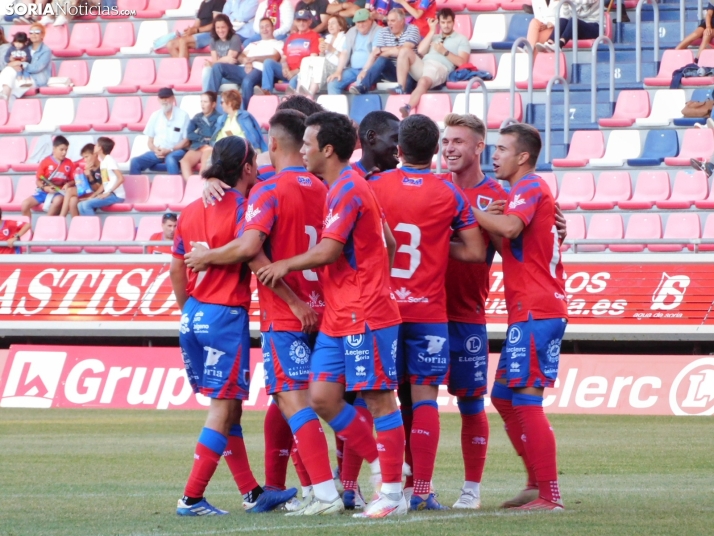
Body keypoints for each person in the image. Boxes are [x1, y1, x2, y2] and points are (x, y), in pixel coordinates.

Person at [185, 109, 348, 515]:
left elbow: (249, 251)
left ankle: (315, 490)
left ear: (273, 144)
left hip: (256, 313)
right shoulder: (333, 185)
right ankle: (343, 485)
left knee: (279, 401)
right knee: (332, 400)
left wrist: (195, 283)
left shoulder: (256, 194)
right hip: (325, 307)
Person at [256, 111, 409, 519]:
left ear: (327, 149)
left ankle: (391, 493)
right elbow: (389, 241)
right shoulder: (340, 186)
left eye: (307, 144)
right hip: (339, 316)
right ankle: (386, 468)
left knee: (379, 400)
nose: (301, 150)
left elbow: (328, 251)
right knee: (323, 398)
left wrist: (284, 265)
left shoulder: (347, 188)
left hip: (365, 314)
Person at [170, 136, 297, 516]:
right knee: (222, 410)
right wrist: (295, 302)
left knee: (230, 410)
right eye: (254, 162)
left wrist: (190, 308)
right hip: (225, 316)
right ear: (245, 168)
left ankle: (253, 492)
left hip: (193, 313)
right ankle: (191, 498)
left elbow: (177, 267)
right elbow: (256, 260)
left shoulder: (192, 208)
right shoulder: (246, 208)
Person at [368, 114, 486, 511]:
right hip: (430, 312)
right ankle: (422, 490)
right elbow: (474, 251)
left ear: (398, 150)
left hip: (384, 310)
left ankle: (374, 487)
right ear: (435, 150)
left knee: (380, 401)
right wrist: (437, 246)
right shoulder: (449, 193)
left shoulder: (373, 186)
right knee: (424, 402)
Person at [470, 123, 568, 511]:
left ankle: (549, 495)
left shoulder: (529, 187)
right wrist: (493, 220)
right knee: (504, 396)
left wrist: (476, 213)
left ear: (522, 157)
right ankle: (535, 481)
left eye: (502, 149)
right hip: (528, 310)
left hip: (536, 310)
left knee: (526, 398)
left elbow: (511, 227)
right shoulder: (523, 194)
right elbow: (513, 239)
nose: (495, 156)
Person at [438, 113, 508, 510]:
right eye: (446, 141)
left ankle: (471, 488)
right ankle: (416, 485)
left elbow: (513, 247)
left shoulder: (495, 195)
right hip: (423, 315)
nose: (449, 148)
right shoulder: (431, 188)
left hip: (467, 316)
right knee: (413, 402)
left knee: (470, 403)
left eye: (458, 141)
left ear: (479, 146)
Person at [394, 8, 469, 117]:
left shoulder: (462, 39)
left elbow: (463, 63)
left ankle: (408, 107)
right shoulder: (433, 36)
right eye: (443, 22)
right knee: (404, 51)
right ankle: (400, 87)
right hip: (425, 64)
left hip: (441, 67)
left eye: (449, 22)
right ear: (439, 22)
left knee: (423, 81)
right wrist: (432, 31)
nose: (446, 25)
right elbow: (420, 51)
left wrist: (444, 52)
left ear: (453, 22)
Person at [204, 18, 283, 108]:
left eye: (267, 26)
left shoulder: (278, 43)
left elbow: (274, 58)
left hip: (259, 70)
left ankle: (245, 112)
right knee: (217, 67)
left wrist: (254, 59)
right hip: (244, 68)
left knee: (247, 82)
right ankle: (209, 102)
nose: (264, 29)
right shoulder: (253, 43)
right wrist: (246, 61)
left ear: (273, 28)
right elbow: (240, 56)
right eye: (262, 27)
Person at [348, 8, 420, 95]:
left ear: (402, 21)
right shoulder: (383, 31)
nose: (389, 23)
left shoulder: (412, 29)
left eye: (392, 20)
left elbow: (404, 50)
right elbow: (377, 53)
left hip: (409, 72)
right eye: (388, 20)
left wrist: (386, 50)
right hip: (392, 70)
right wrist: (365, 70)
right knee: (382, 59)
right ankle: (363, 86)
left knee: (407, 84)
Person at [256, 10, 320, 94]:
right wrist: (284, 67)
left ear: (310, 21)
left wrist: (295, 72)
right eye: (298, 20)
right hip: (287, 71)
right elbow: (284, 57)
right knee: (268, 62)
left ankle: (289, 102)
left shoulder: (314, 36)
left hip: (301, 73)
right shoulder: (291, 37)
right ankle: (266, 92)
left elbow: (312, 61)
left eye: (304, 20)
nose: (301, 23)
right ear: (295, 22)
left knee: (294, 81)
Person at [130, 88, 190, 176]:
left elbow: (186, 141)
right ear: (158, 100)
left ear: (173, 98)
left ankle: (175, 188)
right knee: (135, 162)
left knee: (170, 159)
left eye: (167, 97)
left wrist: (170, 150)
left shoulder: (183, 115)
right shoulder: (155, 115)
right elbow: (150, 141)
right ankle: (135, 189)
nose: (164, 100)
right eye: (162, 98)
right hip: (159, 152)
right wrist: (155, 149)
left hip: (176, 150)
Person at [326, 9, 379, 95]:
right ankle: (336, 109)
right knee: (333, 83)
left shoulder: (378, 31)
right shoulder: (352, 31)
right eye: (358, 22)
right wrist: (338, 71)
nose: (360, 25)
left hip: (371, 69)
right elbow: (344, 52)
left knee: (358, 86)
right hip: (353, 69)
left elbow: (375, 53)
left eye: (363, 21)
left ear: (370, 20)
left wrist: (365, 70)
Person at [294, 14, 347, 97]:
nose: (330, 26)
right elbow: (323, 59)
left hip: (337, 68)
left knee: (318, 62)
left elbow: (346, 58)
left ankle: (310, 94)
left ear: (340, 26)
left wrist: (332, 49)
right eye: (329, 24)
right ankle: (299, 91)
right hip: (325, 66)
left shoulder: (345, 38)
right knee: (306, 60)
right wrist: (322, 52)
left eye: (333, 23)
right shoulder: (328, 38)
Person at [21, 135, 74, 218]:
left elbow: (73, 180)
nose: (64, 152)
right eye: (61, 149)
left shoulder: (69, 163)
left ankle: (45, 223)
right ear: (54, 149)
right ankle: (29, 230)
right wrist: (45, 188)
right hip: (43, 192)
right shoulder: (46, 161)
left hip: (58, 193)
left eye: (66, 150)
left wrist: (68, 185)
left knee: (58, 200)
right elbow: (38, 180)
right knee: (25, 204)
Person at [0, 22, 51, 100]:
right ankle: (4, 99)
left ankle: (4, 101)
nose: (33, 35)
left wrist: (20, 64)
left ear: (42, 35)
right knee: (8, 70)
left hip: (34, 79)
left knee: (11, 86)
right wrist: (11, 63)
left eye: (37, 32)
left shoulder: (46, 50)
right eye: (31, 32)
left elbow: (36, 68)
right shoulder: (24, 47)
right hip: (21, 76)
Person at [180, 91, 221, 182]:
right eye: (201, 101)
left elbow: (220, 133)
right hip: (198, 145)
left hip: (211, 146)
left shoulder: (219, 118)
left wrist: (210, 141)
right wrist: (200, 138)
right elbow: (189, 133)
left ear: (213, 104)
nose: (202, 104)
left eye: (205, 102)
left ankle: (200, 187)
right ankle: (191, 185)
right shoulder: (197, 117)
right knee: (184, 162)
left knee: (205, 164)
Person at [78, 137, 125, 215]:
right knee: (80, 205)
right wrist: (93, 195)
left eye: (96, 145)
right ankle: (88, 226)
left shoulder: (109, 160)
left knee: (86, 205)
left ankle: (94, 226)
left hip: (116, 195)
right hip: (109, 193)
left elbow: (121, 178)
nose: (94, 147)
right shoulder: (103, 163)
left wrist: (108, 192)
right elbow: (105, 182)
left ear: (100, 148)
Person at [201, 13, 243, 93]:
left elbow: (230, 62)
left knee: (209, 74)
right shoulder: (213, 40)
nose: (220, 30)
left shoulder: (235, 38)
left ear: (228, 27)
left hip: (232, 74)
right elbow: (217, 62)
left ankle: (207, 99)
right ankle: (208, 98)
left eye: (223, 27)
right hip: (220, 73)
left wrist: (214, 63)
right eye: (218, 27)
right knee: (206, 71)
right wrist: (223, 59)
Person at [352, 109, 400, 177]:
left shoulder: (404, 180)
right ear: (371, 137)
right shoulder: (343, 178)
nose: (401, 146)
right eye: (396, 139)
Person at [63, 142, 103, 217]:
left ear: (95, 155)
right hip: (87, 192)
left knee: (70, 191)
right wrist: (69, 183)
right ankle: (76, 225)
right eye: (83, 157)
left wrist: (90, 176)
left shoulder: (102, 167)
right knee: (72, 201)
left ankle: (61, 217)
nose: (85, 160)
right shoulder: (88, 168)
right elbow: (81, 183)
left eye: (86, 157)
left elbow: (98, 189)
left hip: (97, 195)